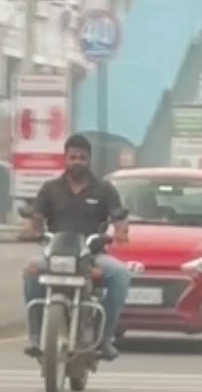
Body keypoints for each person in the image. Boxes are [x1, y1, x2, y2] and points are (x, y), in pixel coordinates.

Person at [22, 134, 133, 360]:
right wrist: (32, 230)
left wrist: (121, 233)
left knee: (120, 274)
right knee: (31, 271)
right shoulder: (50, 189)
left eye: (82, 158)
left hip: (92, 255)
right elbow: (36, 216)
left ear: (89, 159)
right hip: (55, 255)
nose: (77, 162)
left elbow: (118, 216)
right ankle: (35, 334)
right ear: (65, 158)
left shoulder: (104, 189)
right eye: (73, 157)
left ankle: (105, 337)